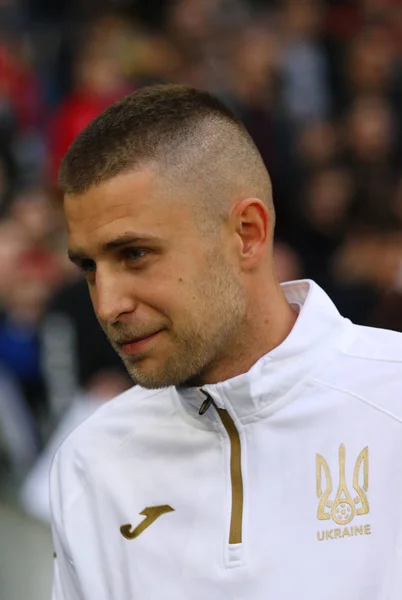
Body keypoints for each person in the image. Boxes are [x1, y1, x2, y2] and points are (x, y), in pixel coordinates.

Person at [50, 84, 402, 600]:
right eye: (88, 267)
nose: (107, 305)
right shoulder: (90, 462)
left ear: (248, 233)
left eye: (134, 254)